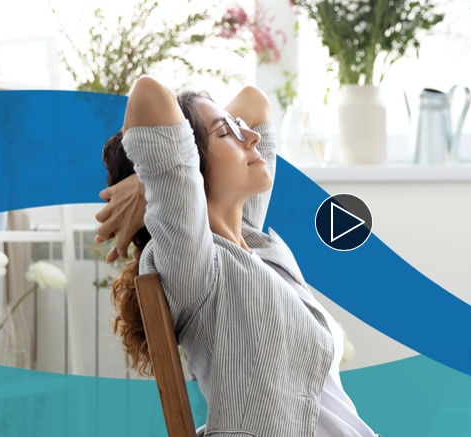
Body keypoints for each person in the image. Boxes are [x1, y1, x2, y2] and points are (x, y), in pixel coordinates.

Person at [96, 76, 381, 437]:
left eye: (239, 127)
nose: (252, 137)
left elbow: (255, 101)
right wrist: (152, 177)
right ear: (188, 163)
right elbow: (148, 94)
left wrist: (149, 181)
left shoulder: (251, 242)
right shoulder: (194, 259)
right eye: (226, 134)